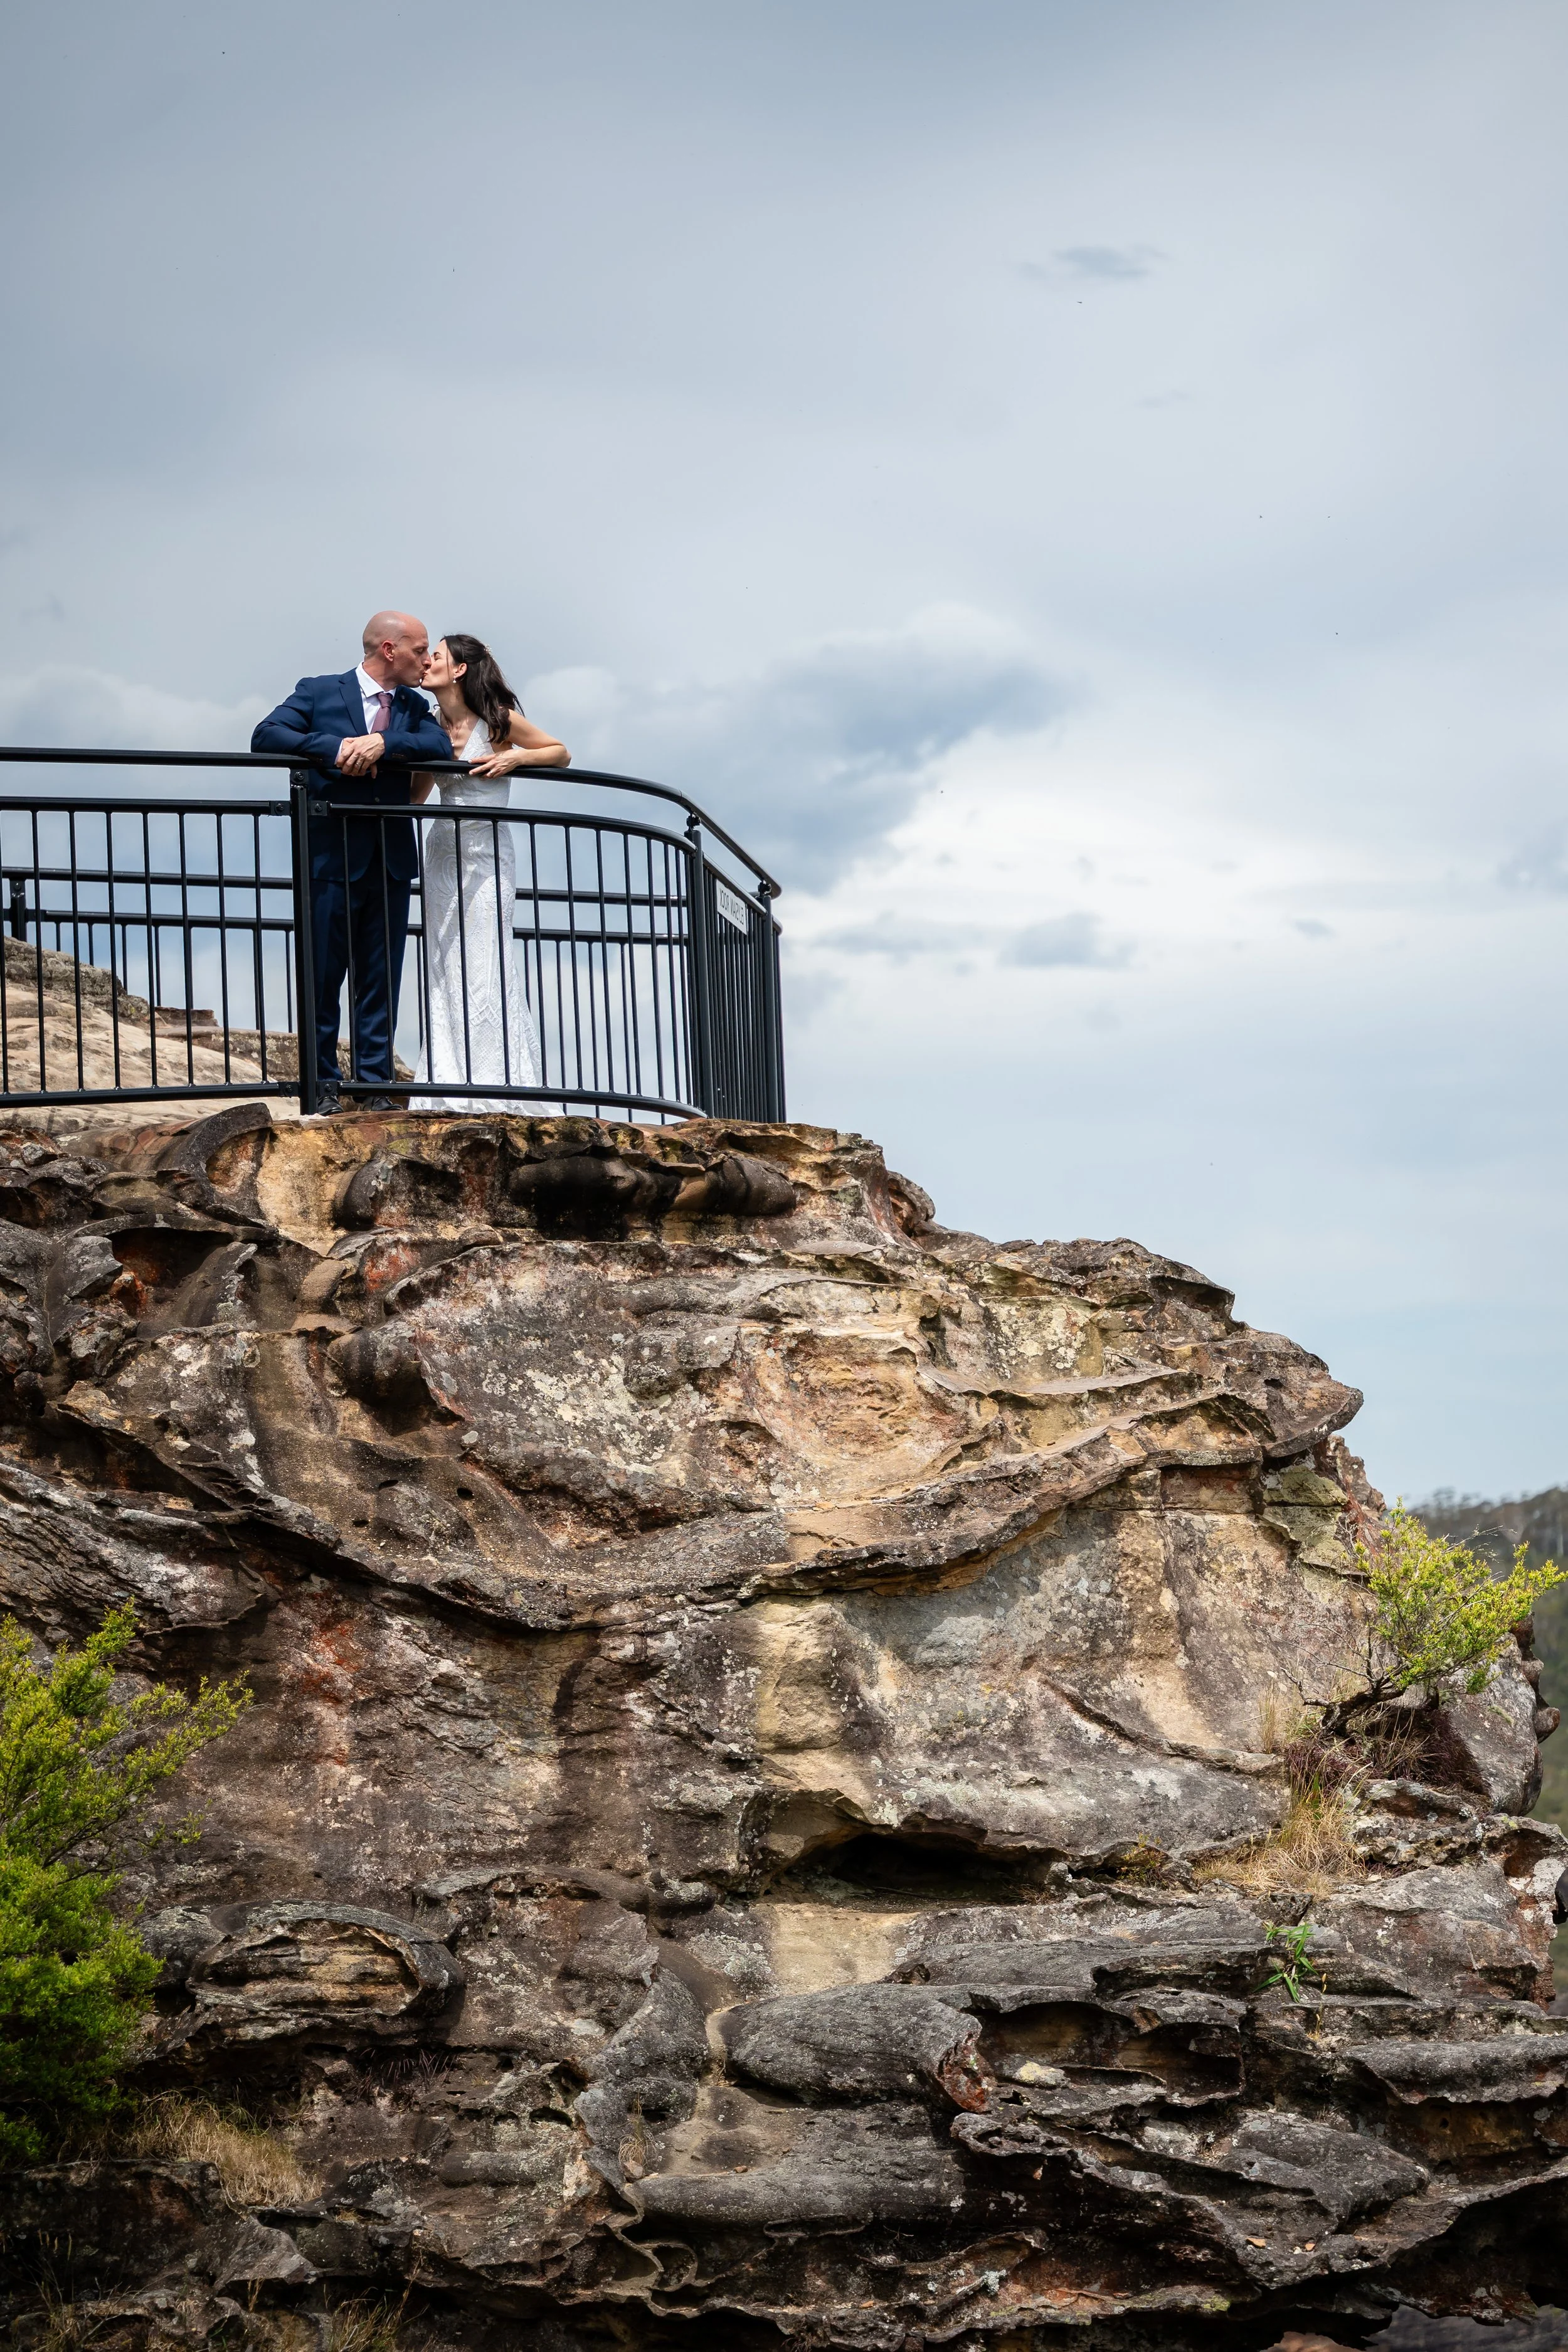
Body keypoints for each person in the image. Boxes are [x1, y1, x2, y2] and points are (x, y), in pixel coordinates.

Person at [252, 612, 452, 1112]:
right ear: (389, 649)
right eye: (419, 648)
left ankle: (376, 1091)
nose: (427, 659)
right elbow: (267, 736)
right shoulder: (319, 692)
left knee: (380, 983)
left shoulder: (412, 706)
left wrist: (384, 743)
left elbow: (438, 746)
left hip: (389, 862)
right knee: (322, 981)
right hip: (328, 860)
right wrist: (337, 747)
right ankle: (322, 1091)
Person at [411, 635, 569, 1113]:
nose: (426, 662)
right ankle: (447, 1082)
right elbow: (416, 796)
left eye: (435, 656)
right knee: (443, 962)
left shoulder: (497, 718)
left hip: (487, 853)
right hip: (443, 852)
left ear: (458, 670)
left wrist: (518, 757)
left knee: (485, 958)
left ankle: (497, 1080)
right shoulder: (429, 724)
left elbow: (560, 751)